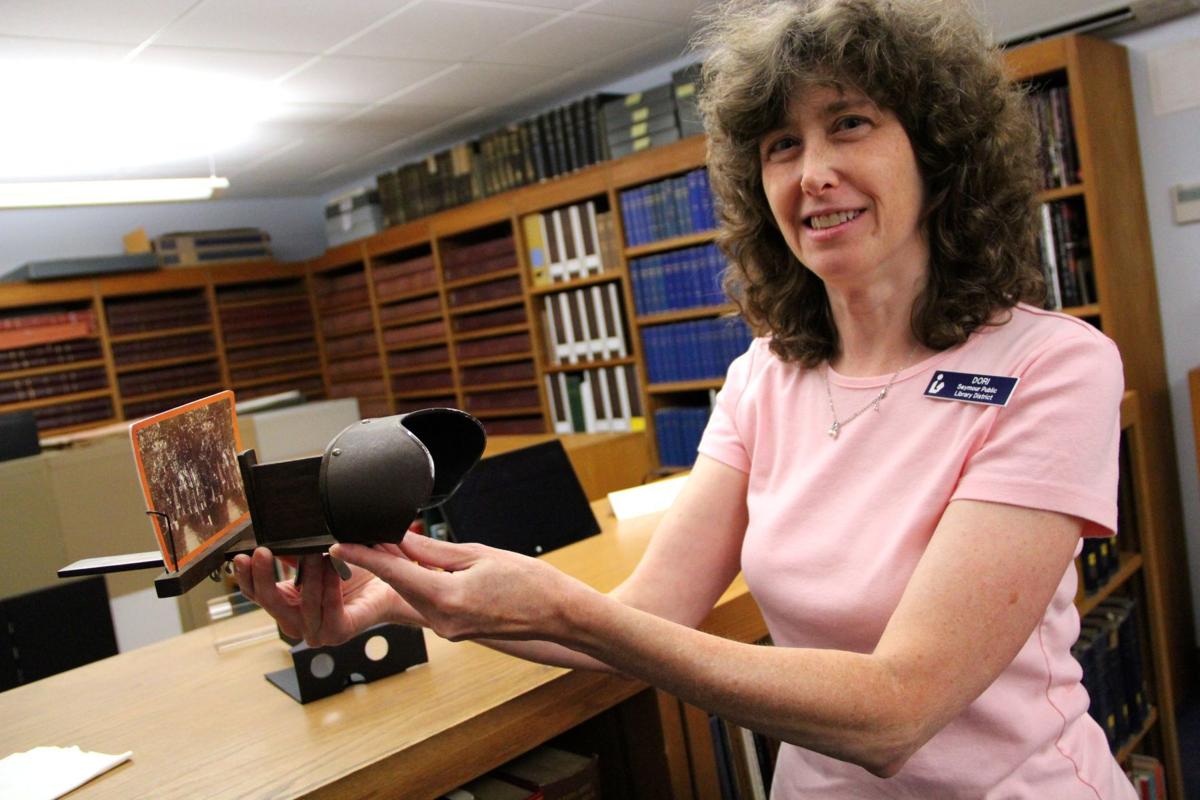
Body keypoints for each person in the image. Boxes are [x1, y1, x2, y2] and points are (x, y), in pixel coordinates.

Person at [235, 1, 1136, 796]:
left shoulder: (1052, 367)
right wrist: (403, 595)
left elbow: (897, 712)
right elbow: (647, 614)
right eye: (781, 145)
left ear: (938, 152)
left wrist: (563, 605)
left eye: (850, 124)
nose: (812, 172)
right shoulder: (763, 377)